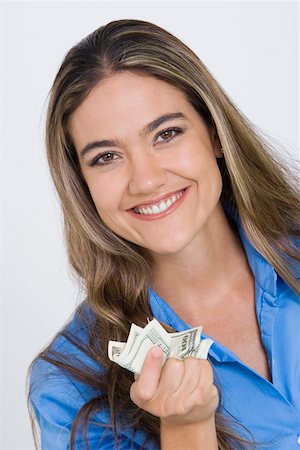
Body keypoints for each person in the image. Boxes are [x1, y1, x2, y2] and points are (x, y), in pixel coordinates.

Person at [27, 19, 300, 450]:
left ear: (214, 133)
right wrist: (187, 430)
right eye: (106, 157)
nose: (147, 180)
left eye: (166, 134)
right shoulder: (68, 386)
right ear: (82, 182)